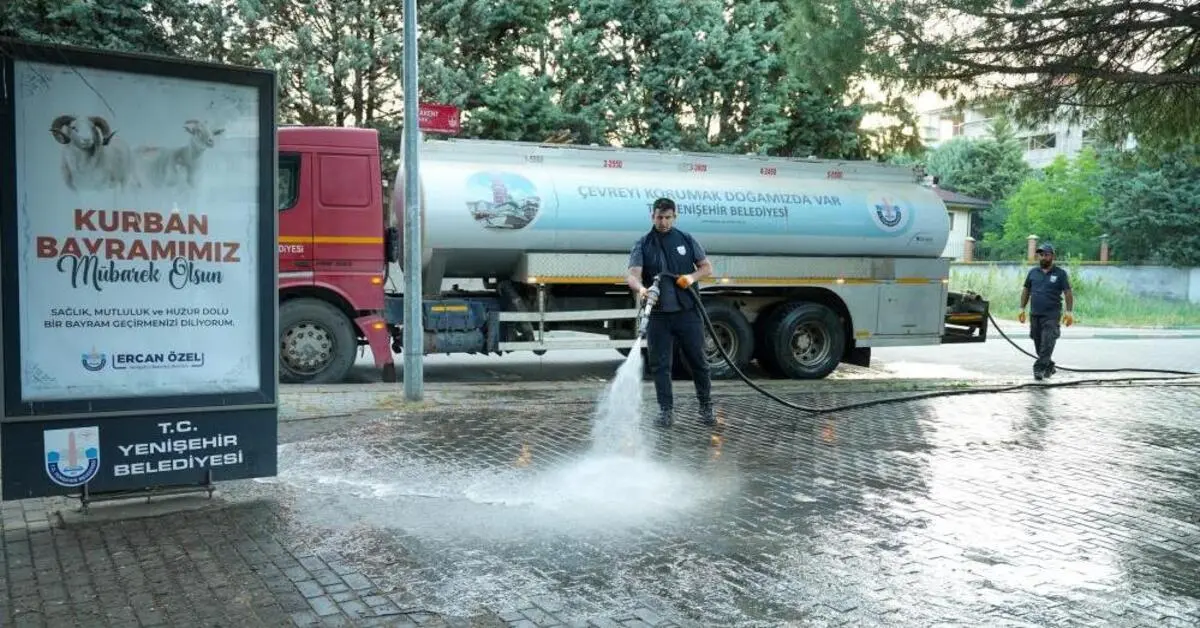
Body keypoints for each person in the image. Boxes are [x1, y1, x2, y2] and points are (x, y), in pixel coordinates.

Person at [626, 197, 715, 427]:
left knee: (698, 361)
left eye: (667, 217)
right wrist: (643, 290)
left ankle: (706, 407)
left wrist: (691, 277)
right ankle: (666, 411)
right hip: (658, 314)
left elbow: (706, 267)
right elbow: (633, 276)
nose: (663, 222)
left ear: (675, 217)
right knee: (660, 365)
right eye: (659, 217)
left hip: (688, 311)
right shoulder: (643, 244)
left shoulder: (685, 239)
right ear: (652, 217)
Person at [1018, 242, 1075, 380]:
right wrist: (1021, 308)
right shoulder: (1033, 273)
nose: (1043, 257)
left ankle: (1039, 368)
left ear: (1052, 256)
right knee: (1037, 342)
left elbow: (1068, 292)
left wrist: (1069, 312)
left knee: (1047, 341)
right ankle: (1049, 366)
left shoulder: (1060, 274)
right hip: (1035, 314)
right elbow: (1026, 290)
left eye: (1046, 255)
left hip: (1052, 315)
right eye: (1041, 255)